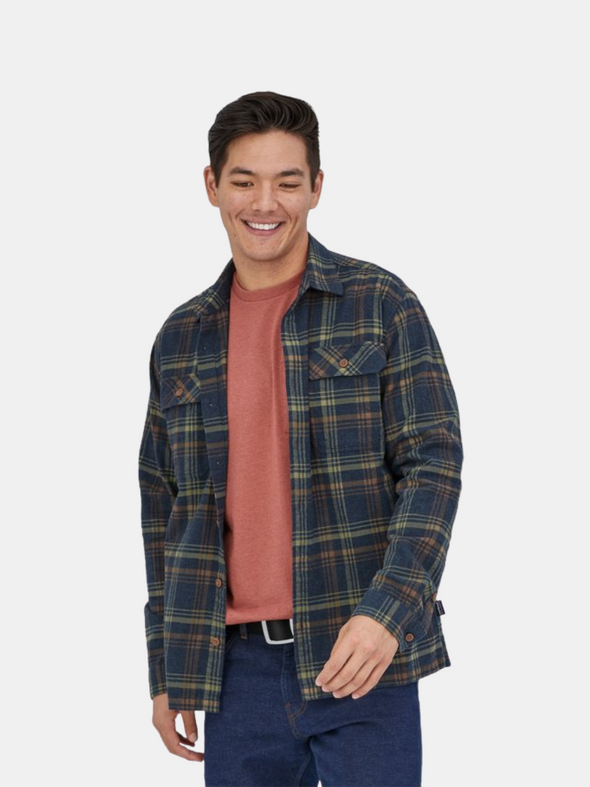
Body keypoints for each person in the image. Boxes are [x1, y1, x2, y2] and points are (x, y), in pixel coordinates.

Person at [139, 91, 463, 787]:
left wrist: (387, 614)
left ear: (317, 186)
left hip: (360, 654)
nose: (266, 202)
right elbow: (162, 509)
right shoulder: (181, 338)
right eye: (244, 181)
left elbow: (432, 467)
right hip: (234, 672)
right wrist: (168, 664)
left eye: (287, 182)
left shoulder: (380, 304)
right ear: (212, 186)